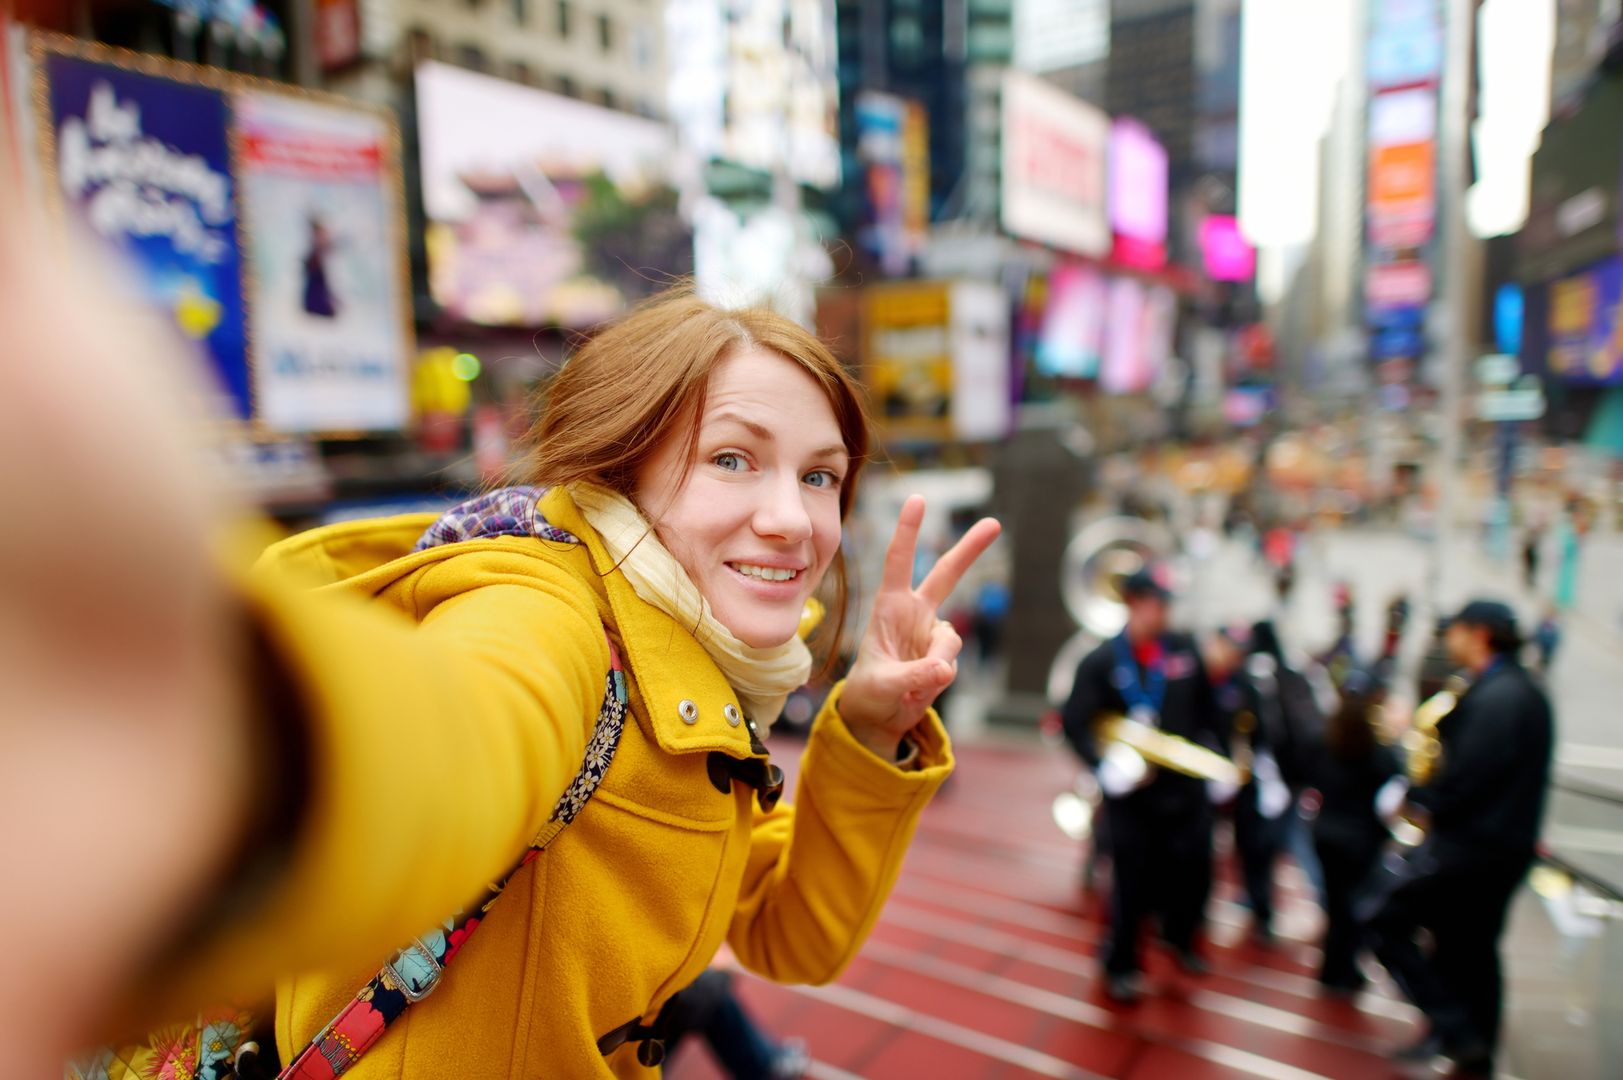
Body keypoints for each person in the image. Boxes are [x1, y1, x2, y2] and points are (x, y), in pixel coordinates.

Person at [0, 198, 1001, 1078]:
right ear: (621, 472)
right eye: (734, 459)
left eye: (821, 475)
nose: (793, 519)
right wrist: (186, 731)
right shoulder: (545, 611)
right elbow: (453, 743)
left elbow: (792, 934)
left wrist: (866, 732)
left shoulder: (707, 675)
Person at [1365, 600, 1554, 1078]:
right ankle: (1470, 1048)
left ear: (1481, 634)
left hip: (1474, 848)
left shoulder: (1501, 696)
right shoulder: (1513, 690)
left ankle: (1456, 1031)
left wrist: (1419, 797)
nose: (1449, 641)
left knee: (1387, 921)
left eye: (1457, 631)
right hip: (1495, 846)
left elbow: (1470, 778)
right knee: (1468, 947)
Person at [1060, 570, 1226, 1004]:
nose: (1163, 612)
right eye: (1155, 602)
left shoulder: (1184, 649)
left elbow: (1210, 711)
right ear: (1134, 602)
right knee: (1131, 881)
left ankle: (1181, 940)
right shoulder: (1099, 661)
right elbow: (1073, 723)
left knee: (1193, 871)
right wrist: (1103, 766)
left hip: (1184, 790)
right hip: (1132, 796)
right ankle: (1122, 963)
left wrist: (1221, 762)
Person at [1306, 671, 1402, 993]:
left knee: (1335, 907)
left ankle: (1332, 970)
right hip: (1360, 840)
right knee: (1354, 909)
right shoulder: (1380, 750)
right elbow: (1392, 799)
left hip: (1326, 834)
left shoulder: (1324, 740)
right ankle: (1343, 973)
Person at [1231, 620, 1320, 941]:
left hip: (1283, 777)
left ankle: (1266, 907)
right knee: (1256, 845)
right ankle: (1258, 904)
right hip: (1258, 777)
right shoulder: (1272, 675)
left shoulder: (1278, 677)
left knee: (1289, 846)